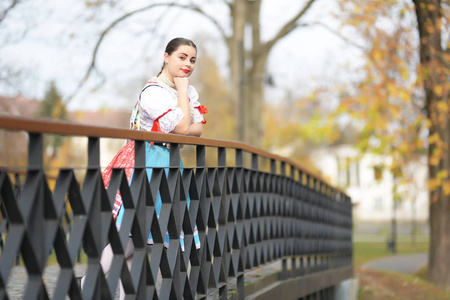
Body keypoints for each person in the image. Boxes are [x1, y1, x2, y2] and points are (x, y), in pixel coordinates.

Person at [79, 37, 207, 299]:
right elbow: (184, 129)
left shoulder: (187, 92)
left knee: (144, 234)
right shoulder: (154, 92)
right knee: (133, 228)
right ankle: (85, 283)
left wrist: (183, 104)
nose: (188, 64)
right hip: (145, 161)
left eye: (192, 59)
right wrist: (182, 92)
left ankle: (109, 289)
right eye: (182, 57)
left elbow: (198, 129)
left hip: (169, 162)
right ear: (166, 56)